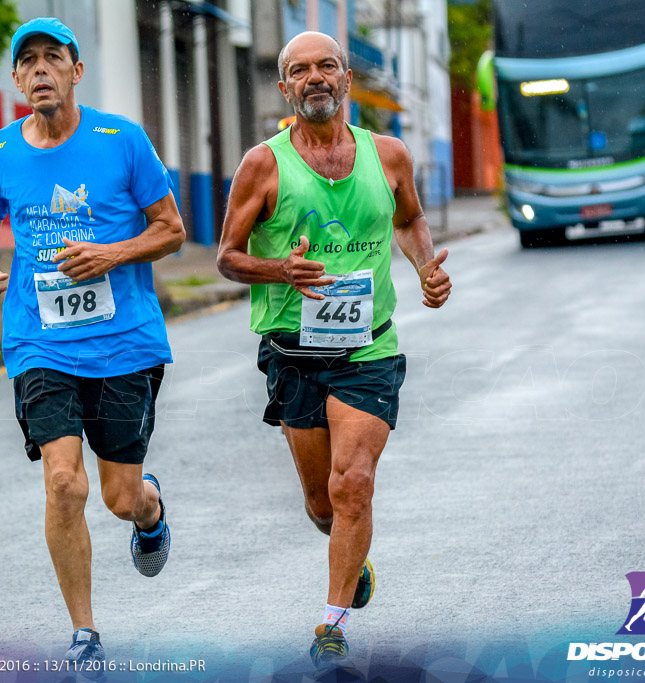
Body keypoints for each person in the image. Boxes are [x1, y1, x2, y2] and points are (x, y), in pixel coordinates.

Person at [216, 31, 452, 669]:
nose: (315, 77)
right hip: (293, 351)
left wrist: (426, 266)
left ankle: (331, 624)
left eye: (327, 66)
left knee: (354, 484)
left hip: (368, 347)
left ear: (346, 79)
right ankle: (353, 561)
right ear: (285, 86)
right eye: (300, 70)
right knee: (322, 503)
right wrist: (281, 273)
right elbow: (227, 258)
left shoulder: (390, 155)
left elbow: (408, 219)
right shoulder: (263, 165)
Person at [0, 17, 184, 670]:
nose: (39, 70)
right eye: (26, 61)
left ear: (75, 71)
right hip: (39, 342)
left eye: (51, 58)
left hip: (125, 345)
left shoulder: (123, 141)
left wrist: (110, 253)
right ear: (14, 78)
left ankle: (149, 511)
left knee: (118, 496)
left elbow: (171, 229)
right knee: (63, 483)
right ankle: (85, 631)